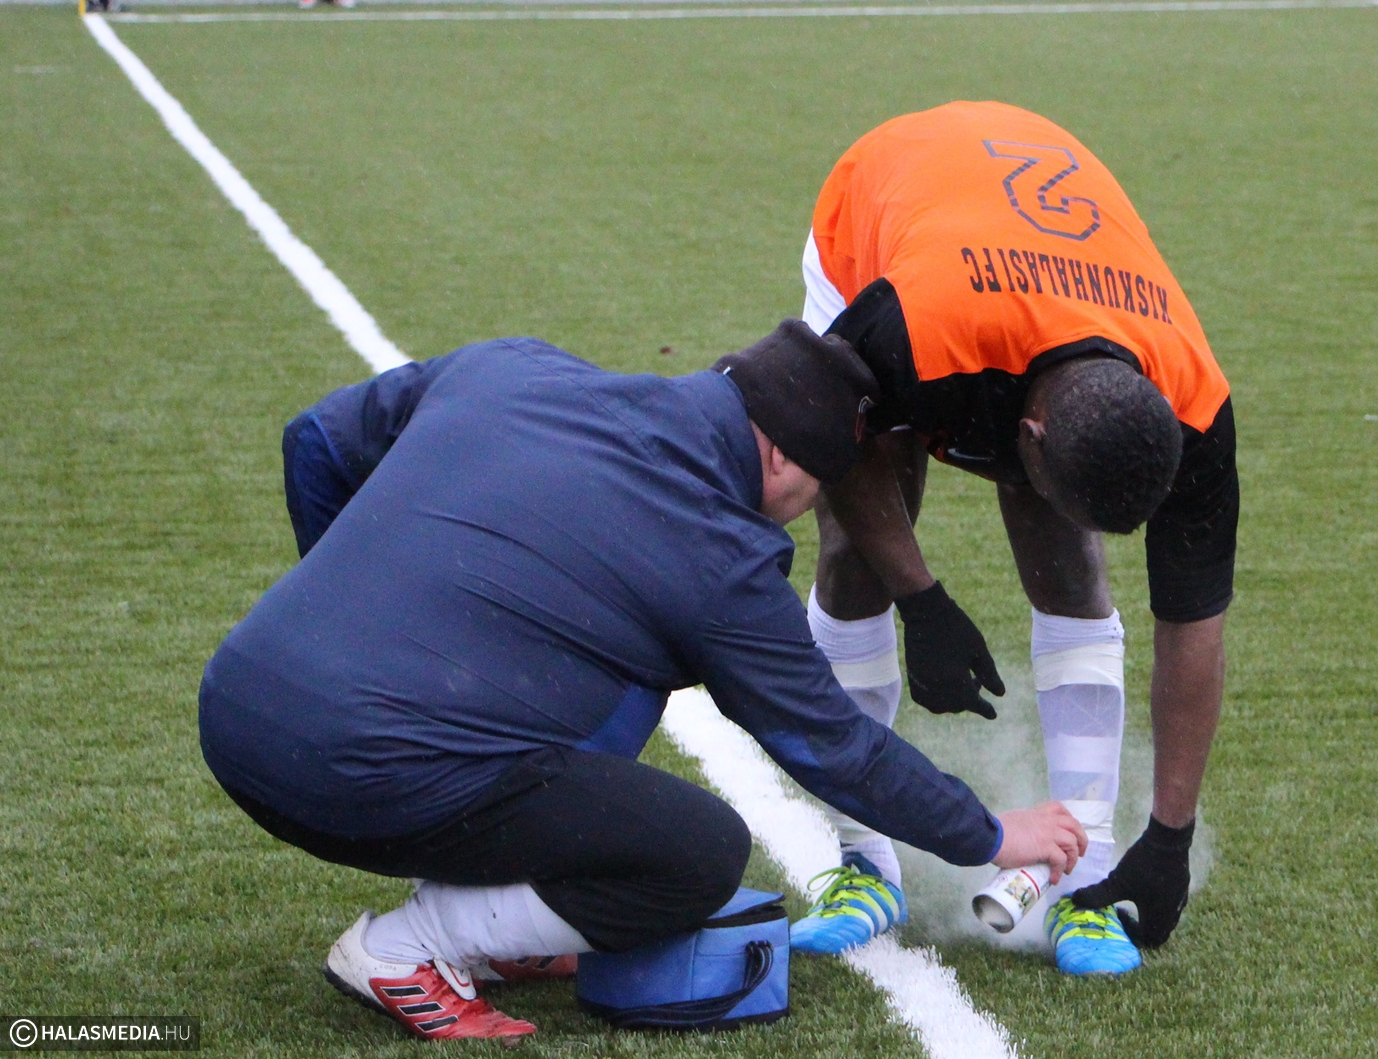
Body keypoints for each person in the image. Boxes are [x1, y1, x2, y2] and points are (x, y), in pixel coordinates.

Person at [199, 322, 1088, 1042]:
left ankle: (502, 912)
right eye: (822, 485)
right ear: (782, 460)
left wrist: (346, 611)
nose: (814, 505)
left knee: (591, 708)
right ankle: (410, 947)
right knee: (695, 852)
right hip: (347, 773)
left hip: (235, 707)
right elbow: (833, 745)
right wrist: (989, 832)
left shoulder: (513, 366)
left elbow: (314, 440)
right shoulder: (719, 554)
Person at [788, 101, 1238, 976]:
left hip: (1036, 268)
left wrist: (1170, 835)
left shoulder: (1195, 405)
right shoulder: (911, 328)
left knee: (1068, 566)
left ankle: (1087, 871)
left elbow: (1194, 625)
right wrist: (921, 598)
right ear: (1022, 437)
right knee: (854, 556)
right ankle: (861, 860)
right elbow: (838, 442)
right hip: (885, 217)